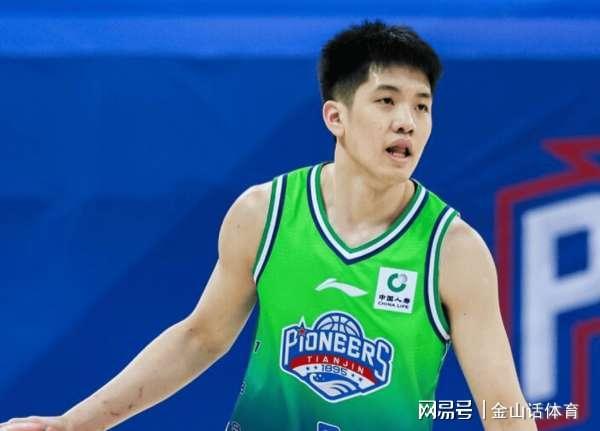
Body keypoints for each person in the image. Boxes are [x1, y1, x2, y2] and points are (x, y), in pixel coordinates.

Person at [0, 20, 537, 431]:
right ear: (336, 117)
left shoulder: (453, 251)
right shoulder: (265, 213)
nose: (407, 122)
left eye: (422, 107)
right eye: (387, 101)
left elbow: (504, 411)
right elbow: (200, 337)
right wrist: (75, 424)